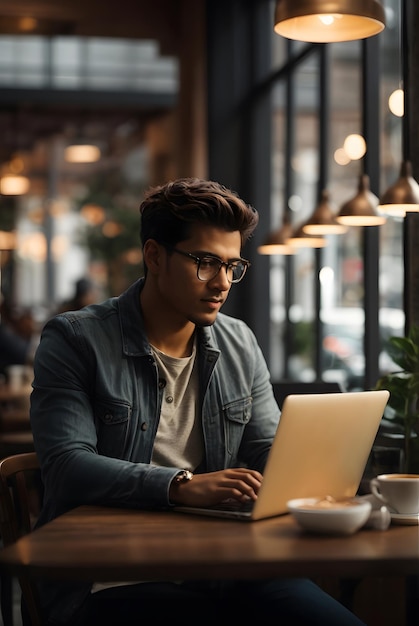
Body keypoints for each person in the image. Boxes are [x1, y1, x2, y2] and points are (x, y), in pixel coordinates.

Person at [30, 178, 366, 626]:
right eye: (205, 263)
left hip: (228, 564)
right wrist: (181, 485)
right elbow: (67, 466)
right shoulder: (76, 339)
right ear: (154, 256)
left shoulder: (239, 342)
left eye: (232, 266)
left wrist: (317, 471)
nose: (222, 283)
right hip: (111, 576)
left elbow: (265, 448)